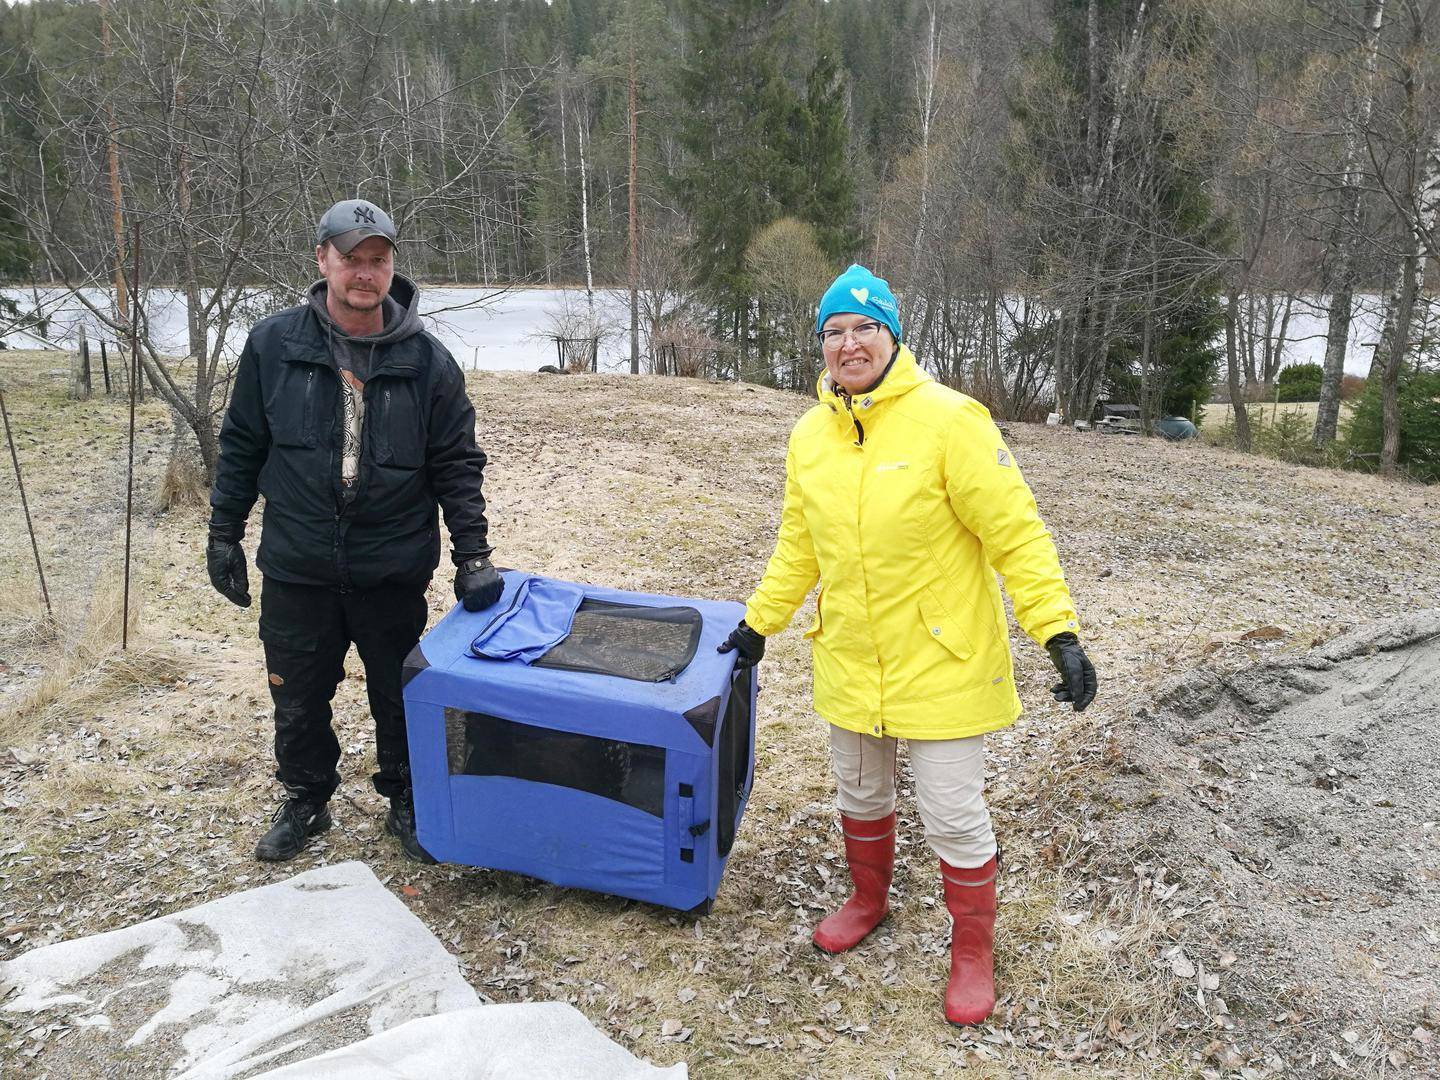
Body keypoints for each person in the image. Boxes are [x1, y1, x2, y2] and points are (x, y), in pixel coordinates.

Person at [719, 264, 1096, 1027]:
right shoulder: (810, 435)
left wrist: (1057, 630)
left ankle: (972, 953)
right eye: (834, 331)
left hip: (941, 662)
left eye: (865, 328)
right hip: (853, 657)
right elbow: (799, 544)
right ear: (820, 344)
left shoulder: (952, 421)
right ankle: (868, 899)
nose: (849, 344)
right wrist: (760, 623)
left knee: (954, 815)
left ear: (894, 336)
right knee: (861, 793)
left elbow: (1015, 533)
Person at [207, 198, 503, 864]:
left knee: (400, 694)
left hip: (390, 564)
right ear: (322, 260)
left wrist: (474, 555)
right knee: (299, 695)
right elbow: (242, 445)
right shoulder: (274, 345)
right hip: (298, 563)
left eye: (378, 260)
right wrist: (223, 533)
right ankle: (307, 800)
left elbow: (457, 464)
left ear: (391, 265)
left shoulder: (427, 361)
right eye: (351, 259)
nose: (365, 273)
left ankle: (407, 799)